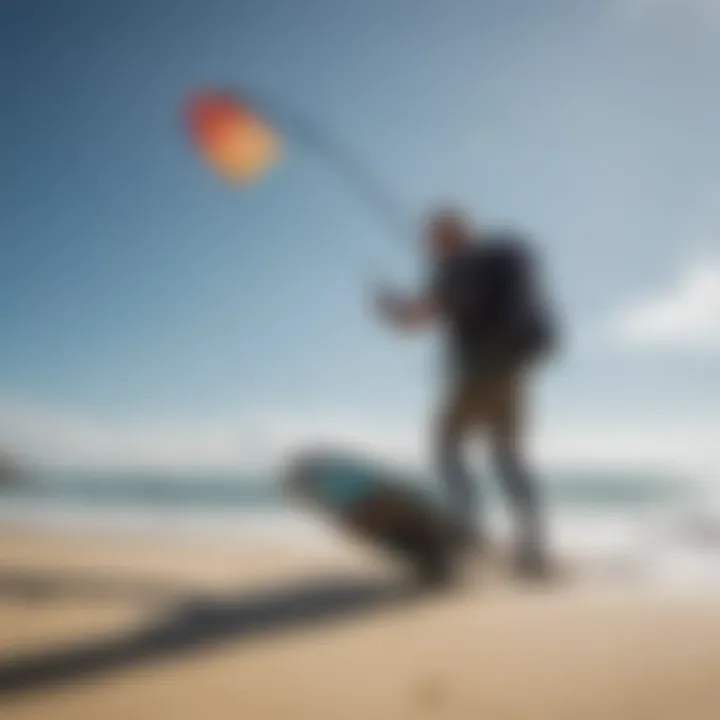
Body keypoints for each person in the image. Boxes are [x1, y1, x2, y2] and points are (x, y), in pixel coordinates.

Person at [375, 208, 557, 579]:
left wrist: (397, 310)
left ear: (453, 233)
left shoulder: (461, 266)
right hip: (512, 368)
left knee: (446, 446)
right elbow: (427, 315)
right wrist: (402, 313)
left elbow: (425, 314)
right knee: (507, 457)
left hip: (480, 372)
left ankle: (465, 537)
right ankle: (534, 550)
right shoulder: (491, 263)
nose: (430, 246)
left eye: (435, 237)